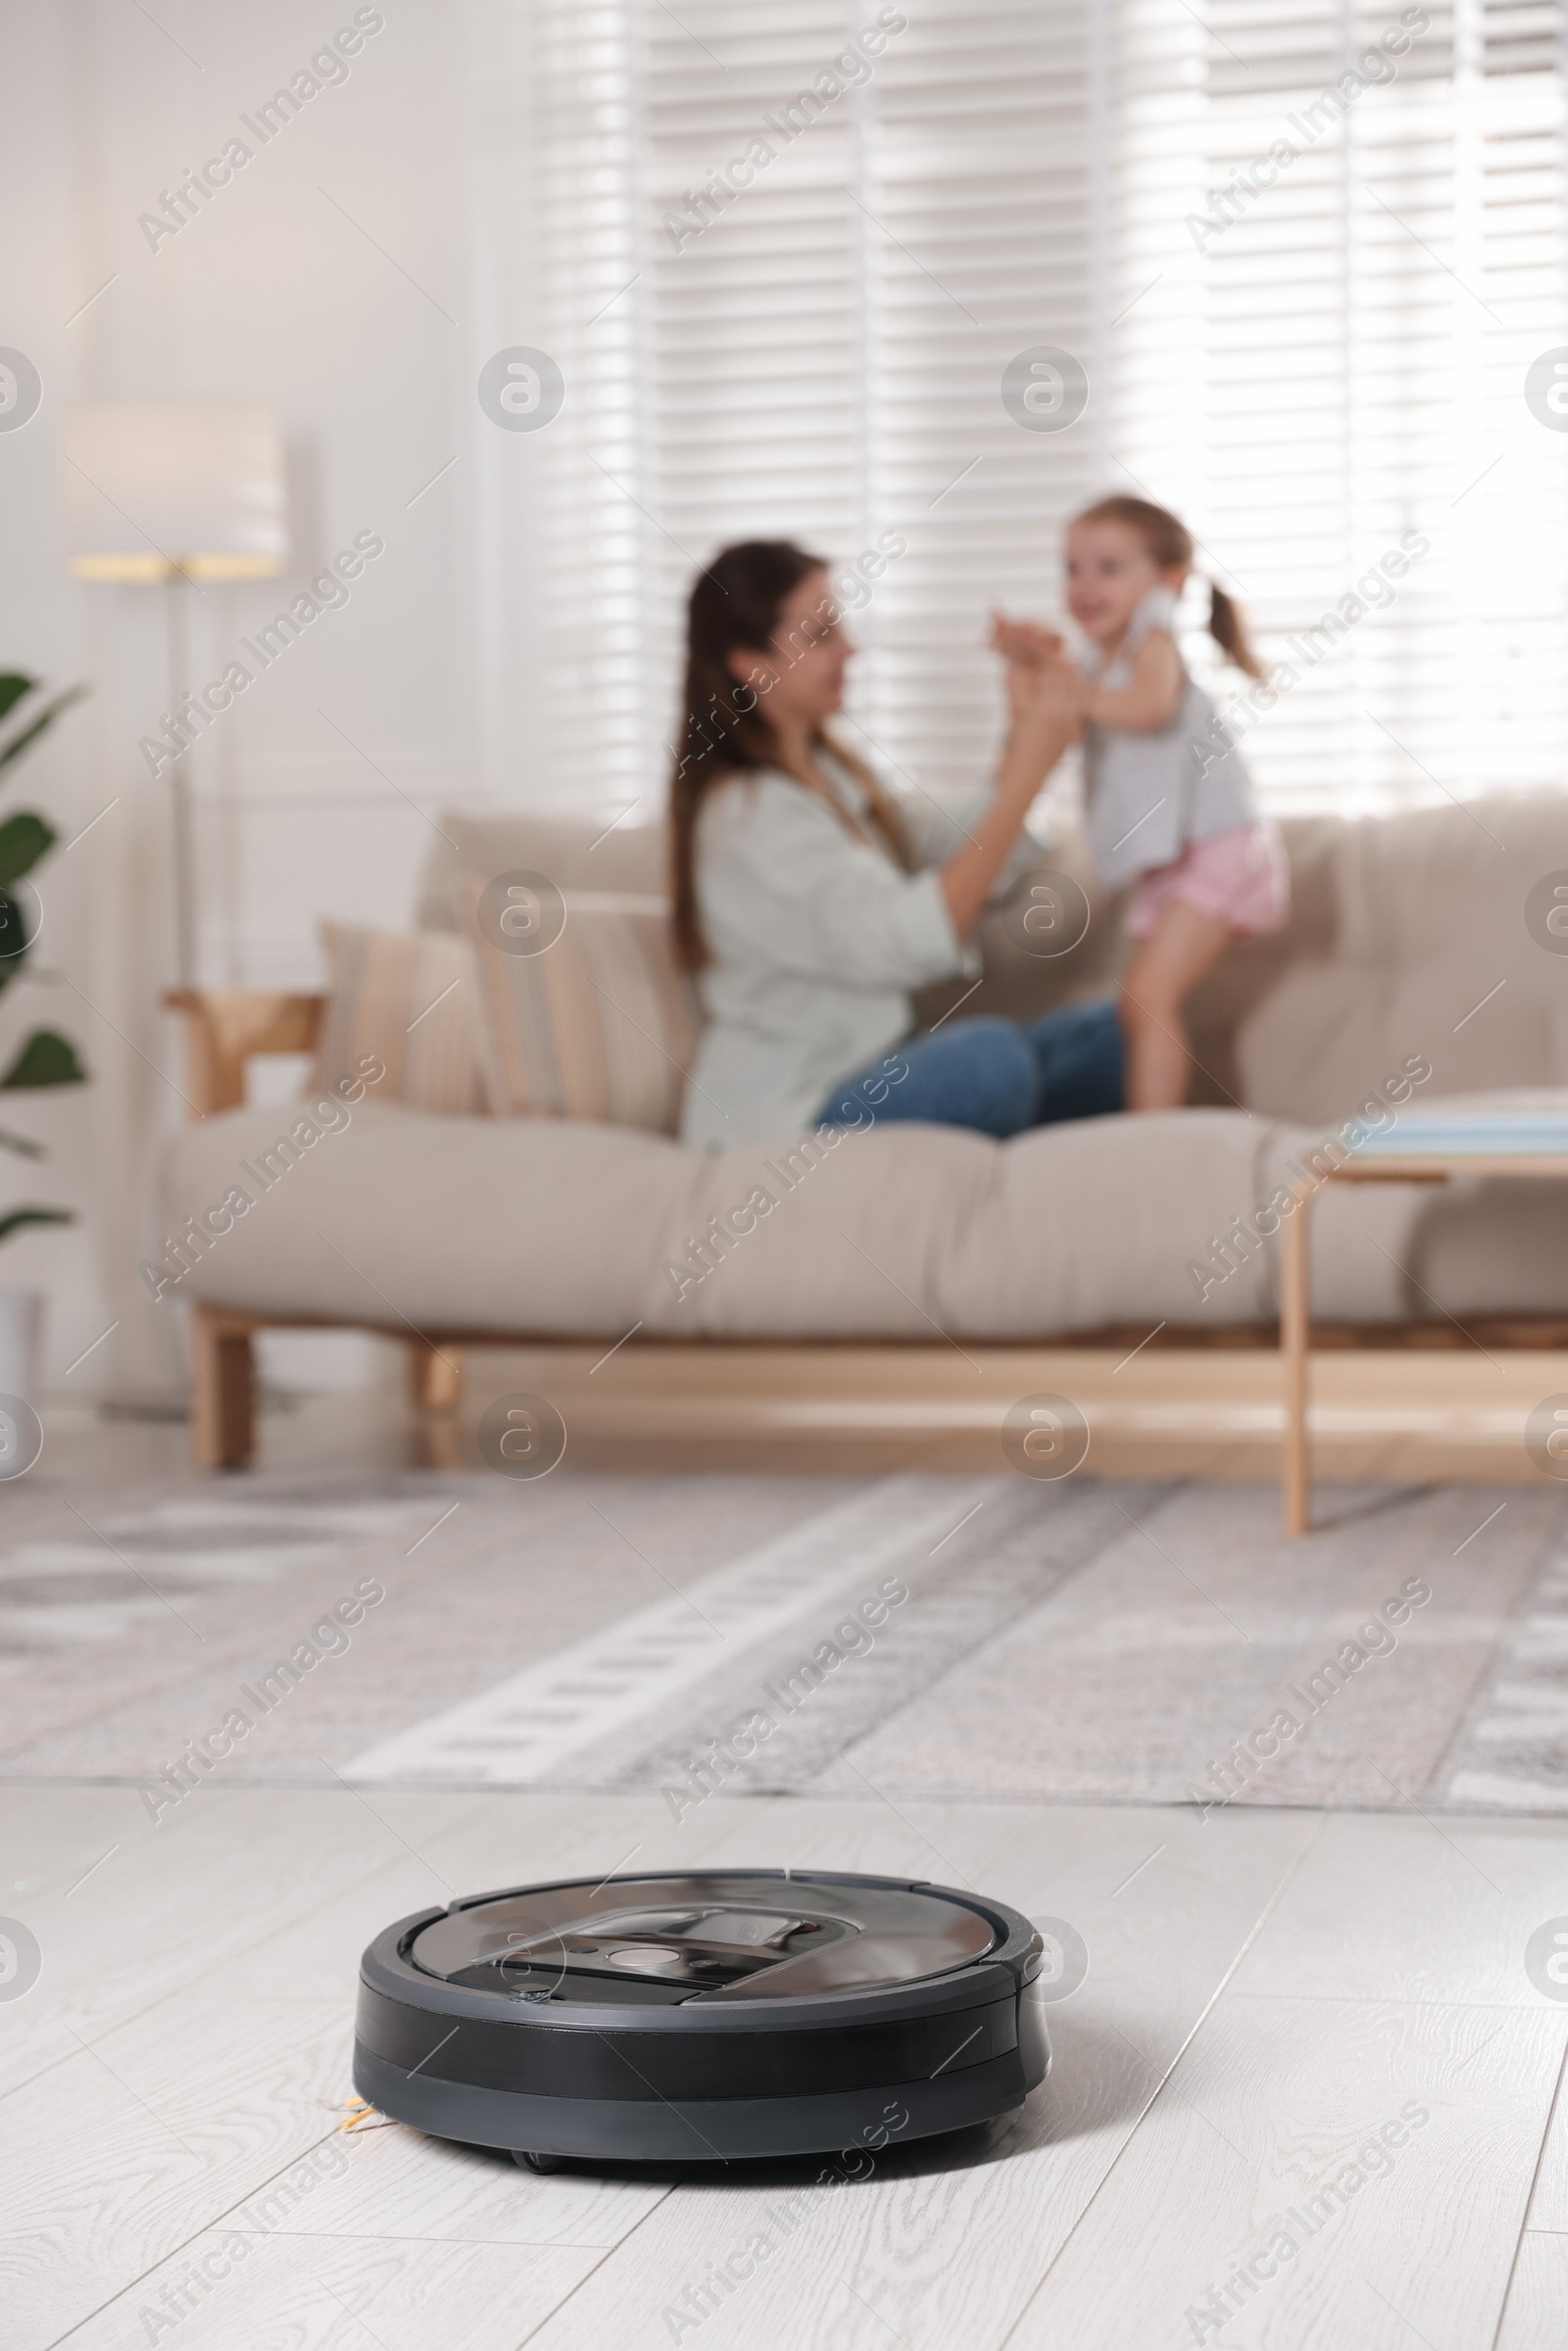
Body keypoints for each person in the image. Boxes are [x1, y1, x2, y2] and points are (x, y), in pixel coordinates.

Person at [669, 540, 1125, 1151]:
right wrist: (1029, 773)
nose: (849, 648)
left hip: (874, 1076)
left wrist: (1023, 731)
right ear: (751, 663)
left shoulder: (831, 777)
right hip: (794, 1118)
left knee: (1117, 1032)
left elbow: (967, 846)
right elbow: (913, 937)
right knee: (989, 1062)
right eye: (821, 633)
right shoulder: (749, 820)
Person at [991, 496, 1289, 1111]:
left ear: (1166, 583)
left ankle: (1153, 1138)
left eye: (1108, 567)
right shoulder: (1103, 662)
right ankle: (1148, 1127)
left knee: (1148, 996)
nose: (1084, 584)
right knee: (1136, 1000)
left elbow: (1148, 707)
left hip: (1221, 846)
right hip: (1181, 859)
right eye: (1072, 568)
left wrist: (1070, 690)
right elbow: (1063, 718)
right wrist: (1033, 666)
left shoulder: (1152, 643)